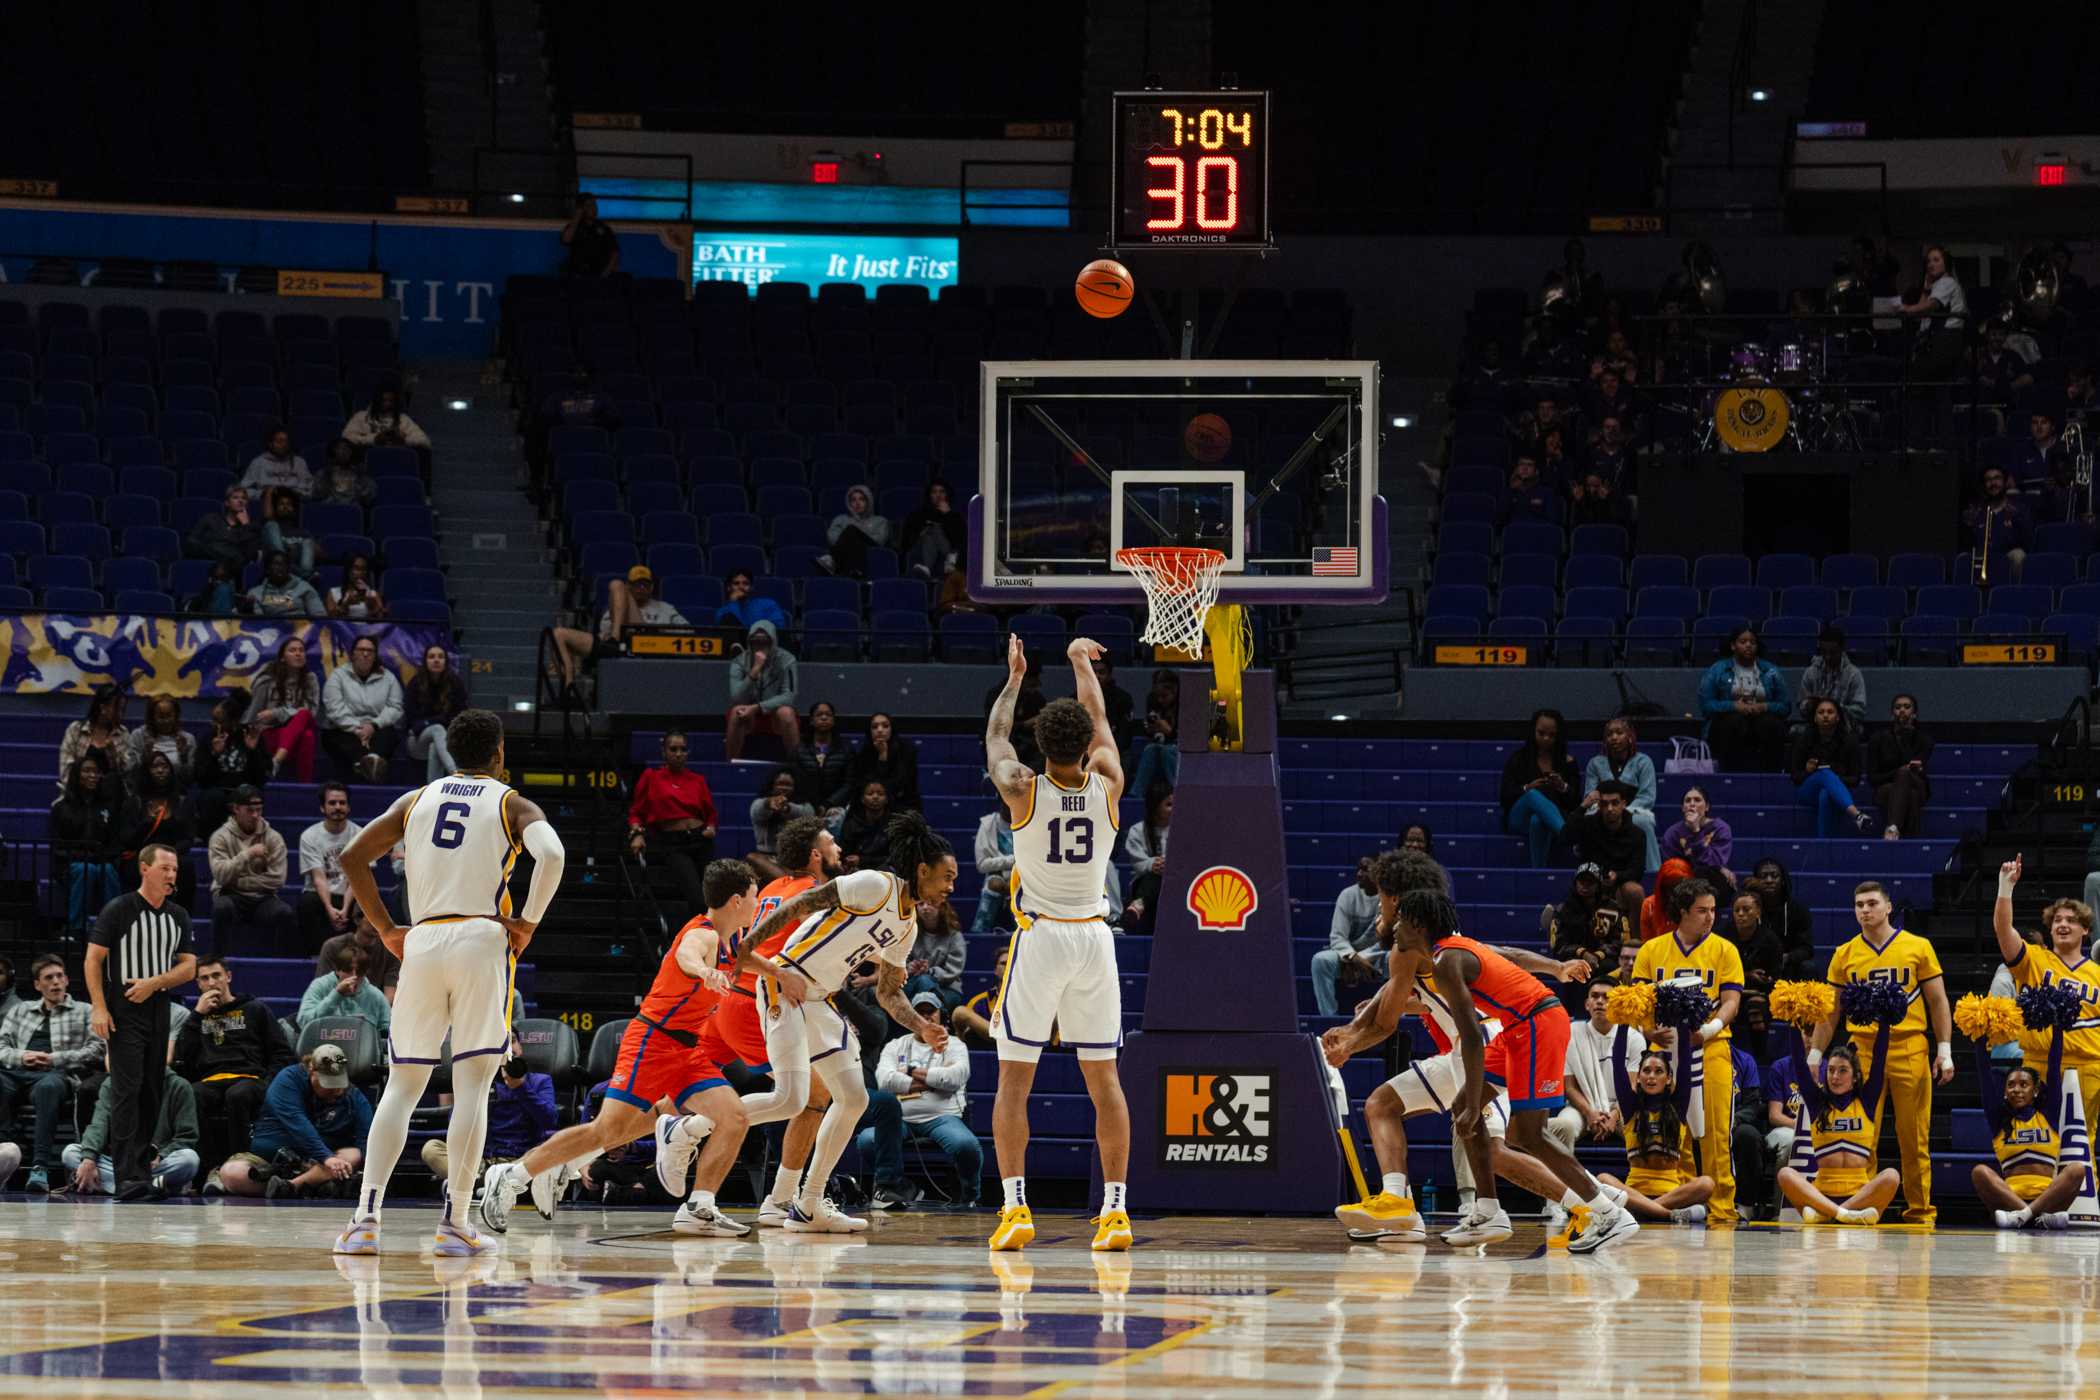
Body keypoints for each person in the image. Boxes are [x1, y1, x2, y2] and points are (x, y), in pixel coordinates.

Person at [332, 707, 567, 1256]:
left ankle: (365, 1220)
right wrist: (528, 921)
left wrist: (388, 928)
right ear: (499, 753)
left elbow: (351, 856)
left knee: (403, 1085)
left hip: (423, 940)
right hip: (481, 938)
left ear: (452, 752)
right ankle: (455, 1222)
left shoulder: (416, 799)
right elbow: (552, 854)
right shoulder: (511, 802)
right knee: (472, 1087)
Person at [674, 824, 958, 1236]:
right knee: (792, 1100)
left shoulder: (907, 926)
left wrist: (921, 1027)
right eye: (947, 876)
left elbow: (888, 993)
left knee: (853, 1097)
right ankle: (687, 1128)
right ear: (922, 869)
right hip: (785, 981)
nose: (951, 886)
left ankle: (808, 1203)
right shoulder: (874, 885)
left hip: (818, 998)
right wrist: (748, 947)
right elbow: (803, 904)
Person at [1323, 885, 1641, 1252]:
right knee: (1454, 1110)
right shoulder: (1443, 953)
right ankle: (1487, 1210)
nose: (1394, 928)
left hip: (1534, 1024)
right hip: (1512, 1030)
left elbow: (1472, 1036)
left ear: (1419, 924)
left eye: (1401, 921)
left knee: (1526, 1133)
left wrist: (1475, 1101)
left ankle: (1605, 1210)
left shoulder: (1445, 961)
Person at [984, 635, 1133, 1253]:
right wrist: (1077, 661)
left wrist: (1016, 677)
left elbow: (996, 736)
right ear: (1084, 749)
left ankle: (1017, 1208)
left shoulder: (1021, 787)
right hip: (1096, 941)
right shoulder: (1108, 784)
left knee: (1015, 1081)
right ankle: (1116, 1211)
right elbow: (1098, 717)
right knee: (1104, 1081)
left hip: (1042, 938)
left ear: (1040, 748)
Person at [692, 817, 843, 1227]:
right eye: (832, 844)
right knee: (811, 1095)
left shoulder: (774, 889)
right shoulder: (816, 894)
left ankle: (591, 1151)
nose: (839, 850)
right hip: (759, 1004)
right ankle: (780, 1198)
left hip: (728, 1000)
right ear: (815, 855)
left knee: (680, 1090)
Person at [1810, 881, 1953, 1225]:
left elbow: (1937, 1001)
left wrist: (1944, 1048)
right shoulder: (1845, 953)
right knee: (1862, 1137)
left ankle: (1920, 1213)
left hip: (1910, 1046)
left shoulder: (1917, 946)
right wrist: (1816, 1052)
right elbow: (1831, 1012)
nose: (1865, 910)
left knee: (1914, 1137)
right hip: (1862, 1050)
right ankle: (1863, 1209)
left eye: (1872, 903)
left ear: (1888, 907)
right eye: (1859, 904)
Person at [81, 845, 197, 1200]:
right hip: (123, 1007)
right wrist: (99, 1009)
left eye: (175, 869)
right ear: (144, 869)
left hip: (158, 1005)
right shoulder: (119, 909)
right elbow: (92, 960)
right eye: (164, 868)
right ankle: (126, 1175)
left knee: (151, 1088)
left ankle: (140, 1172)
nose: (171, 875)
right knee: (126, 1090)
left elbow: (189, 967)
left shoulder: (178, 915)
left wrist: (155, 982)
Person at [1631, 877, 1745, 1224]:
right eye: (1701, 911)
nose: (1710, 917)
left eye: (1713, 910)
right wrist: (1647, 1030)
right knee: (1671, 1133)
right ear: (1682, 913)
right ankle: (1681, 1204)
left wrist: (1709, 1030)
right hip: (1662, 1052)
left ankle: (1722, 1209)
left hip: (1711, 1049)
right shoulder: (1652, 950)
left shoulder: (1725, 949)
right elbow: (1636, 1002)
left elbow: (1732, 1002)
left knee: (1714, 1134)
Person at [1992, 857, 2100, 1143]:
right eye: (2057, 920)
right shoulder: (2035, 961)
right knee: (2037, 1138)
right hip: (2037, 1065)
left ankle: (2085, 1190)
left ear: (2086, 930)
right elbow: (2004, 932)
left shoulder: (2097, 974)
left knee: (2080, 1144)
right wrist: (2005, 888)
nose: (2062, 924)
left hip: (2087, 1067)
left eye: (2071, 920)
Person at [173, 956, 295, 1184]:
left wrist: (268, 1082)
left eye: (216, 975)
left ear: (228, 976)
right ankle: (209, 1171)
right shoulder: (196, 1017)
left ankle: (238, 1167)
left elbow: (282, 1053)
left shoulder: (255, 1009)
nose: (211, 983)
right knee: (192, 1094)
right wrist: (197, 1015)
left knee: (237, 1095)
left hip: (249, 1077)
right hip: (211, 1079)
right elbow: (181, 1057)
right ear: (198, 984)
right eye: (204, 978)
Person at [857, 990, 981, 1200]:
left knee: (966, 1146)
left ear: (941, 1014)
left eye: (930, 1011)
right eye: (920, 1012)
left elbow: (954, 1078)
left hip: (942, 1117)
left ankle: (969, 1196)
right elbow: (885, 1081)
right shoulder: (895, 1045)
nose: (926, 1017)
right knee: (866, 1140)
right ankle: (900, 1186)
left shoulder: (955, 1045)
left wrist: (909, 1072)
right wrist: (931, 1082)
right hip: (898, 1119)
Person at [1775, 1021, 1901, 1224]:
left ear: (1854, 1077)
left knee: (1892, 1176)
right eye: (1831, 1070)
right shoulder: (1817, 1103)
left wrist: (1884, 1021)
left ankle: (1831, 1214)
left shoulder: (1866, 1101)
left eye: (1843, 1071)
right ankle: (1844, 1215)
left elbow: (1879, 1059)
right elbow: (1799, 1063)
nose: (1835, 1076)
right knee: (1785, 1174)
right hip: (1821, 1193)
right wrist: (1791, 1021)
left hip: (1860, 1194)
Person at [0, 955, 104, 1193]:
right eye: (49, 978)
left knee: (48, 1087)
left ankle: (40, 1166)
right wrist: (22, 1057)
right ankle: (4, 1157)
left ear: (67, 980)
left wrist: (55, 1058)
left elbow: (98, 1050)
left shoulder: (85, 1011)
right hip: (18, 1072)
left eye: (60, 976)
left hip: (57, 1073)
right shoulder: (20, 1011)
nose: (56, 982)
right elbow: (1, 1047)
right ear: (38, 985)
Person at [1969, 1024, 2083, 1229]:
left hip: (2049, 1199)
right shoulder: (1999, 1120)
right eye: (2011, 1085)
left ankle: (2024, 1217)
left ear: (2036, 1091)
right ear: (2004, 1092)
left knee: (2077, 1169)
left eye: (2024, 1084)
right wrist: (1978, 1038)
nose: (2016, 1090)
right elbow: (1984, 1076)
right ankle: (2036, 1219)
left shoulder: (2049, 1116)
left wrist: (2057, 1029)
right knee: (1979, 1172)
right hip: (2009, 1198)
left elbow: (2054, 1067)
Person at [222, 1045, 372, 1199]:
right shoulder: (288, 1080)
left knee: (353, 1155)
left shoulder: (353, 1096)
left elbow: (367, 1136)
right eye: (328, 1083)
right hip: (271, 1162)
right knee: (231, 1172)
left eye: (338, 1082)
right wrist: (325, 1156)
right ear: (312, 1070)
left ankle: (292, 1187)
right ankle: (313, 1185)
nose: (335, 1090)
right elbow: (297, 1122)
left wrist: (365, 1174)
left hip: (324, 1164)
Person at [1594, 1034, 1715, 1224]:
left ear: (1668, 1079)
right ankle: (1666, 1215)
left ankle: (1643, 1212)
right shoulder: (1630, 1107)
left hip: (1671, 1195)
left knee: (1707, 1183)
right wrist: (1624, 1023)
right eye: (1646, 1071)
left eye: (1658, 1071)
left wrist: (1683, 1022)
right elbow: (1618, 1064)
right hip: (1634, 1192)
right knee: (1602, 1179)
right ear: (1639, 1077)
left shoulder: (1678, 1107)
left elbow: (1685, 1061)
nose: (1651, 1076)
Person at [421, 1036, 560, 1184]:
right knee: (431, 1149)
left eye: (512, 1041)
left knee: (545, 1152)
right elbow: (455, 1124)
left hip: (519, 1162)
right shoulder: (479, 1081)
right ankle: (485, 1182)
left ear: (520, 1047)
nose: (508, 1048)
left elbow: (549, 1120)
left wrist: (521, 1087)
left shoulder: (540, 1081)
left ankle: (474, 1183)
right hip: (480, 1162)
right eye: (501, 1043)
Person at [62, 1056, 200, 1197]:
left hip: (156, 1163)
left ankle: (114, 1186)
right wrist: (89, 1159)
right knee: (70, 1153)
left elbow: (186, 1137)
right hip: (118, 1163)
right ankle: (152, 1186)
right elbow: (98, 1125)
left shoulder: (179, 1086)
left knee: (189, 1159)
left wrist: (162, 1155)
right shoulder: (112, 1083)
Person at [550, 563, 687, 689]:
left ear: (652, 587)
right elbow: (603, 633)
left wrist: (660, 633)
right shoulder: (615, 608)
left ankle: (615, 640)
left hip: (645, 643)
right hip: (616, 646)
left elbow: (687, 631)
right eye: (637, 584)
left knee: (616, 584)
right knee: (558, 633)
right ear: (629, 586)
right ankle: (568, 688)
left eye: (645, 584)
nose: (641, 588)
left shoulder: (665, 608)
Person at [627, 730, 717, 916]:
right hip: (673, 843)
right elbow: (636, 812)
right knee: (696, 897)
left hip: (700, 839)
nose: (678, 753)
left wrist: (711, 827)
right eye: (673, 749)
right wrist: (637, 834)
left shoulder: (697, 780)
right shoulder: (651, 777)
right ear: (664, 752)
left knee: (714, 895)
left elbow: (710, 813)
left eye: (683, 749)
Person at [206, 785, 294, 954]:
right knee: (221, 908)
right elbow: (221, 876)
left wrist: (238, 880)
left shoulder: (273, 838)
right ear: (236, 809)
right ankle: (218, 962)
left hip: (262, 899)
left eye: (259, 810)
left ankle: (281, 967)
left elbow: (277, 879)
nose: (255, 815)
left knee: (285, 913)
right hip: (230, 895)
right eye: (250, 810)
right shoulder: (220, 837)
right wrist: (248, 854)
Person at [1700, 626, 1790, 772]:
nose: (1748, 645)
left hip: (1760, 724)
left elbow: (1785, 706)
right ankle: (1731, 775)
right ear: (1733, 645)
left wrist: (1764, 707)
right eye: (1743, 641)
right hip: (1727, 725)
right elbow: (1706, 706)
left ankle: (1771, 775)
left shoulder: (1770, 670)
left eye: (1752, 642)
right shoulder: (1718, 669)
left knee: (1771, 724)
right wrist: (1734, 706)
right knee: (1735, 721)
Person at [1579, 717, 1660, 875]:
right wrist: (1607, 811)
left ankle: (1654, 874)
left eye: (1619, 732)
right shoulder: (1595, 763)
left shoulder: (1643, 762)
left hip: (1633, 811)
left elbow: (1647, 796)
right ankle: (1591, 875)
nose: (1614, 737)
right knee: (1588, 823)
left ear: (1630, 736)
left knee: (1644, 822)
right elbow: (1590, 795)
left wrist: (1623, 813)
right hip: (1602, 812)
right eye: (1609, 734)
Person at [1500, 708, 1579, 867]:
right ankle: (1567, 835)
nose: (1546, 738)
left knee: (1538, 821)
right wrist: (1526, 787)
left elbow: (1575, 801)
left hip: (1552, 816)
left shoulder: (1567, 762)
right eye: (1541, 733)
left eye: (1552, 735)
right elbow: (1504, 796)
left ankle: (1538, 873)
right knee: (1533, 795)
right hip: (1518, 817)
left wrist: (1562, 786)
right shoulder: (1519, 759)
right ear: (1533, 731)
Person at [52, 754, 122, 931]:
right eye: (87, 771)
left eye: (97, 772)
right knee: (86, 870)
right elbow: (57, 846)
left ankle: (113, 928)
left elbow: (115, 842)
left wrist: (103, 856)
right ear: (77, 775)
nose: (93, 775)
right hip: (71, 864)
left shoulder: (108, 806)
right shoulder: (62, 807)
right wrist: (82, 856)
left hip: (101, 862)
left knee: (108, 870)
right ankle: (76, 928)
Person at [321, 635, 404, 782]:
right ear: (352, 654)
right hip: (345, 728)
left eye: (370, 651)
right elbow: (334, 708)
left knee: (389, 734)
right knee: (338, 738)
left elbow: (395, 707)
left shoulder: (388, 677)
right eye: (361, 650)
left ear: (375, 655)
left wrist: (373, 725)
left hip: (377, 727)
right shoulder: (338, 676)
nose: (365, 654)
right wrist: (357, 729)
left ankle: (366, 764)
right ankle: (370, 765)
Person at [1790, 697, 1876, 836]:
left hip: (1836, 792)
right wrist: (1808, 772)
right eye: (1821, 712)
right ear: (1815, 718)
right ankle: (1857, 815)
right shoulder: (1803, 740)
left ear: (1837, 717)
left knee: (1826, 794)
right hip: (1808, 791)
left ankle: (1822, 844)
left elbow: (1855, 779)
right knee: (1825, 774)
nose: (1825, 715)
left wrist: (1836, 777)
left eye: (1830, 712)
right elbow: (1795, 777)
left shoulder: (1849, 741)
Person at [1312, 855, 1385, 1016]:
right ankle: (1328, 1017)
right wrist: (1353, 957)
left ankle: (1397, 1014)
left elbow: (1388, 939)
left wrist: (1362, 958)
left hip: (1376, 956)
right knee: (1320, 961)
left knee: (1400, 956)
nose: (1359, 874)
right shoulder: (1347, 895)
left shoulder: (1388, 896)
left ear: (1379, 873)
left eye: (1365, 870)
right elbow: (1337, 937)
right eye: (1358, 869)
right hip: (1347, 956)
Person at [725, 619, 803, 761]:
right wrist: (754, 671)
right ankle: (732, 765)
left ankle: (796, 765)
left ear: (773, 641)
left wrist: (757, 707)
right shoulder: (739, 661)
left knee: (786, 713)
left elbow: (789, 696)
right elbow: (736, 698)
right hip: (748, 715)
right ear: (749, 642)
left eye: (765, 641)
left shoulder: (787, 660)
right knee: (736, 712)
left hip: (774, 712)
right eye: (755, 641)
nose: (760, 645)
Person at [296, 784, 363, 946]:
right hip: (321, 893)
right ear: (322, 808)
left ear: (348, 807)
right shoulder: (310, 836)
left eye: (342, 803)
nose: (338, 807)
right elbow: (318, 878)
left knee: (367, 902)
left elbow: (358, 878)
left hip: (349, 891)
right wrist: (329, 908)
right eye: (332, 803)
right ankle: (314, 954)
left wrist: (345, 909)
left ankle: (359, 954)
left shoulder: (361, 834)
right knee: (307, 903)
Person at [249, 636, 320, 781]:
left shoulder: (310, 679)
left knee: (304, 714)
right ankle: (304, 787)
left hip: (298, 728)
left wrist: (276, 713)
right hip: (272, 733)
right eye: (292, 650)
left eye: (301, 650)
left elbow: (311, 712)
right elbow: (259, 714)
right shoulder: (267, 678)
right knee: (307, 736)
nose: (298, 654)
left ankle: (277, 761)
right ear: (282, 657)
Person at [1867, 693, 1934, 841]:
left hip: (1917, 783)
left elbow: (1919, 772)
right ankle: (1911, 846)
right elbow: (1872, 778)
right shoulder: (1877, 739)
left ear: (1915, 713)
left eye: (1907, 707)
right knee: (1911, 795)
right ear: (1892, 714)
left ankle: (1892, 827)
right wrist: (1898, 773)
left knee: (1906, 775)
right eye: (1897, 708)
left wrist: (1906, 738)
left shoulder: (1924, 739)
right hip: (1885, 789)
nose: (1902, 710)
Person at [403, 643, 469, 782]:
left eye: (440, 657)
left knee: (436, 743)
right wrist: (439, 720)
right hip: (417, 742)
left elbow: (459, 717)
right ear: (425, 661)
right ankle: (456, 773)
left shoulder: (455, 683)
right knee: (437, 729)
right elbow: (411, 720)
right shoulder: (415, 683)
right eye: (431, 657)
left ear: (446, 661)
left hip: (446, 742)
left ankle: (432, 790)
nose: (436, 660)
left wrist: (427, 722)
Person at [299, 939, 392, 1036]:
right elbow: (304, 1022)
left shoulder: (376, 996)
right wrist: (336, 995)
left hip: (361, 1047)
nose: (354, 976)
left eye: (360, 972)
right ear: (338, 970)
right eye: (348, 970)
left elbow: (388, 1031)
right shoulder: (319, 986)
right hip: (322, 1044)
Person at [1569, 781, 1645, 890]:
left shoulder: (1637, 834)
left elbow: (1637, 871)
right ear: (1599, 805)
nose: (1610, 808)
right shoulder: (1588, 825)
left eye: (1615, 803)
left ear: (1623, 804)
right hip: (1591, 884)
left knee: (1634, 890)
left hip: (1620, 885)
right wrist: (1583, 807)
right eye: (1605, 804)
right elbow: (1566, 836)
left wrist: (1617, 876)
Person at [840, 711, 920, 813]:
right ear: (870, 731)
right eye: (874, 727)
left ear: (892, 729)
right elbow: (868, 785)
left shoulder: (907, 750)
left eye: (885, 726)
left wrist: (883, 754)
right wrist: (882, 756)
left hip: (902, 803)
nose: (880, 730)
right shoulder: (865, 752)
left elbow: (899, 784)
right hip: (871, 805)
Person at [1120, 782, 1172, 936]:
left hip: (1175, 881)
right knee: (1155, 878)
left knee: (1163, 878)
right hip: (1143, 882)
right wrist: (1152, 864)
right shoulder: (1137, 830)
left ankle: (1138, 905)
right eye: (1168, 805)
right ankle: (1138, 903)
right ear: (1155, 806)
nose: (1173, 809)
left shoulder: (1182, 829)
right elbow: (1137, 863)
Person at [58, 685, 131, 792]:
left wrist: (113, 755)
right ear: (103, 708)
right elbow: (66, 771)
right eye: (117, 709)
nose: (120, 715)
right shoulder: (76, 730)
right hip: (78, 796)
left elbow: (126, 776)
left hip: (110, 798)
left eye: (122, 710)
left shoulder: (122, 734)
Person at [1746, 857, 1815, 970]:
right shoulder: (1747, 909)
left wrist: (1786, 957)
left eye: (1774, 876)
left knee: (1808, 967)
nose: (1769, 880)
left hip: (1787, 963)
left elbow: (1807, 949)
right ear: (1755, 881)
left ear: (1783, 880)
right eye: (1763, 876)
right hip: (1756, 964)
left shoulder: (1798, 910)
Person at [1796, 625, 1866, 736]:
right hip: (1816, 725)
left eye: (1833, 652)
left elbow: (1860, 711)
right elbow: (1801, 707)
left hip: (1844, 725)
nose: (1827, 657)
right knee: (1797, 733)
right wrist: (1808, 705)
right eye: (1824, 652)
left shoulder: (1854, 674)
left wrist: (1835, 708)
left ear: (1842, 650)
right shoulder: (1811, 672)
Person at [747, 769, 813, 881]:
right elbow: (757, 811)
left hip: (793, 859)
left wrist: (787, 808)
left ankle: (788, 883)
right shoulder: (760, 802)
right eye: (780, 784)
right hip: (767, 857)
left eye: (788, 785)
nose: (783, 788)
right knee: (752, 857)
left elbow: (808, 814)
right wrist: (769, 804)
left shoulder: (804, 805)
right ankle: (788, 883)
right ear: (772, 786)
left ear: (795, 787)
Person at [1659, 786, 1733, 885]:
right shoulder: (1672, 833)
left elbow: (1715, 863)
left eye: (1697, 800)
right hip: (1682, 882)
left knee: (1723, 877)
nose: (1692, 804)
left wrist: (1696, 831)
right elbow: (1671, 866)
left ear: (1707, 807)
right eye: (1688, 801)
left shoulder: (1721, 829)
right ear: (1683, 808)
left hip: (1711, 879)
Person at [790, 700, 850, 818]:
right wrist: (813, 805)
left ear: (833, 720)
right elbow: (797, 781)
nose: (824, 718)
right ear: (811, 720)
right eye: (819, 715)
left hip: (836, 806)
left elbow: (849, 783)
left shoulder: (846, 750)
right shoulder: (799, 750)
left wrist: (828, 804)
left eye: (828, 715)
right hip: (806, 806)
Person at [817, 483, 891, 578]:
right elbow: (832, 539)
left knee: (851, 530)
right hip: (848, 555)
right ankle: (856, 571)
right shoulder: (840, 519)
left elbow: (880, 540)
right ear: (849, 503)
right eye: (853, 500)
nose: (857, 503)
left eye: (862, 499)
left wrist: (856, 530)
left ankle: (831, 561)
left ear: (869, 501)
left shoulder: (880, 521)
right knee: (851, 534)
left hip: (870, 548)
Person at [184, 483, 259, 575]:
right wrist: (225, 553)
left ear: (247, 504)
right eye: (235, 497)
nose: (240, 501)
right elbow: (191, 543)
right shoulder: (211, 519)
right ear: (227, 503)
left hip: (231, 574)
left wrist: (246, 526)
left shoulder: (252, 527)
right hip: (205, 568)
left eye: (243, 498)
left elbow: (250, 555)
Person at [900, 480, 966, 580]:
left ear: (947, 494)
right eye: (934, 492)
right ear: (929, 495)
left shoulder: (955, 516)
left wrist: (948, 515)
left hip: (947, 547)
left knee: (934, 528)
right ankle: (950, 560)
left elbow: (960, 537)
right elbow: (907, 538)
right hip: (921, 546)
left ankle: (927, 567)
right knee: (930, 533)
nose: (938, 495)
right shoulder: (918, 514)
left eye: (942, 491)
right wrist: (920, 533)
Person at [124, 696, 195, 783]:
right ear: (152, 718)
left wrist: (183, 756)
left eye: (169, 716)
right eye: (161, 717)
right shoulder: (139, 736)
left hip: (176, 792)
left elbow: (189, 778)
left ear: (176, 716)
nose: (166, 721)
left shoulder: (187, 739)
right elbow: (130, 773)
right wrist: (145, 757)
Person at [342, 384, 431, 452]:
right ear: (377, 400)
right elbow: (346, 437)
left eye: (390, 401)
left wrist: (402, 440)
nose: (387, 404)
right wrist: (374, 439)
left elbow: (425, 441)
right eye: (384, 400)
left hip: (396, 457)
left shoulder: (403, 419)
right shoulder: (361, 416)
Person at [973, 802, 1016, 934]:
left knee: (1016, 887)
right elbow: (982, 864)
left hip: (1021, 877)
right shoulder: (987, 824)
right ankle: (980, 931)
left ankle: (1022, 931)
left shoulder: (1028, 824)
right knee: (994, 884)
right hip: (996, 876)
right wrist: (1012, 860)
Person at [259, 487, 318, 580]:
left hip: (296, 575)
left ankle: (303, 574)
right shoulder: (270, 529)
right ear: (275, 508)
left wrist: (301, 547)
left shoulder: (303, 532)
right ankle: (304, 575)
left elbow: (321, 554)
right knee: (271, 524)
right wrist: (270, 491)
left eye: (289, 504)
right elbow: (268, 516)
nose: (285, 507)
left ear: (294, 509)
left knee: (307, 541)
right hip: (275, 571)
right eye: (281, 504)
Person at [244, 550, 325, 618]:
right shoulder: (255, 593)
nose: (281, 567)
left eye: (284, 564)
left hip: (301, 632)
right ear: (267, 569)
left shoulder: (304, 588)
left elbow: (319, 616)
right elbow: (257, 624)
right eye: (276, 564)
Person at [242, 428, 313, 501]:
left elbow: (310, 489)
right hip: (266, 502)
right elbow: (244, 490)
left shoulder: (299, 462)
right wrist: (261, 494)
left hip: (294, 503)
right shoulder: (258, 463)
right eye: (279, 441)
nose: (284, 445)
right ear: (270, 444)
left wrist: (298, 494)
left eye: (286, 441)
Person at [837, 780, 894, 870]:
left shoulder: (894, 825)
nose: (875, 797)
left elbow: (894, 858)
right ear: (862, 799)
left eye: (880, 794)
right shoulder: (851, 824)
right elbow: (843, 854)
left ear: (886, 799)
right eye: (870, 793)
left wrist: (863, 860)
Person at [560, 194, 620, 278]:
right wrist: (577, 217)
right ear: (581, 209)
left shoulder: (603, 227)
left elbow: (615, 253)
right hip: (579, 274)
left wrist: (606, 273)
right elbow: (566, 240)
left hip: (600, 273)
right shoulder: (575, 226)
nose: (594, 208)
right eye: (589, 205)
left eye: (595, 205)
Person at [715, 568, 789, 633]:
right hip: (738, 643)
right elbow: (733, 630)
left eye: (745, 583)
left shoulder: (768, 604)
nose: (741, 587)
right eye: (736, 583)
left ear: (751, 587)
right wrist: (734, 603)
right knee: (728, 619)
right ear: (729, 587)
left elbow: (778, 627)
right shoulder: (722, 612)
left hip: (765, 642)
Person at [1637, 858, 1694, 942]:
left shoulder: (1697, 906)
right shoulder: (1649, 906)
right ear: (1662, 888)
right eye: (1670, 888)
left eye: (1679, 888)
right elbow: (1647, 945)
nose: (1674, 895)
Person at [311, 438, 376, 509]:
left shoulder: (360, 474)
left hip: (352, 512)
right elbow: (317, 494)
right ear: (332, 452)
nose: (344, 451)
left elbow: (369, 497)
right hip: (328, 511)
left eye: (347, 448)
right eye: (339, 448)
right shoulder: (323, 474)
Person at [326, 552, 388, 621]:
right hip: (342, 630)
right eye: (356, 568)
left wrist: (372, 607)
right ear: (348, 571)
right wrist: (345, 604)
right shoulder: (333, 592)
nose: (360, 573)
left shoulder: (372, 594)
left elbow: (379, 619)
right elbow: (331, 619)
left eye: (364, 569)